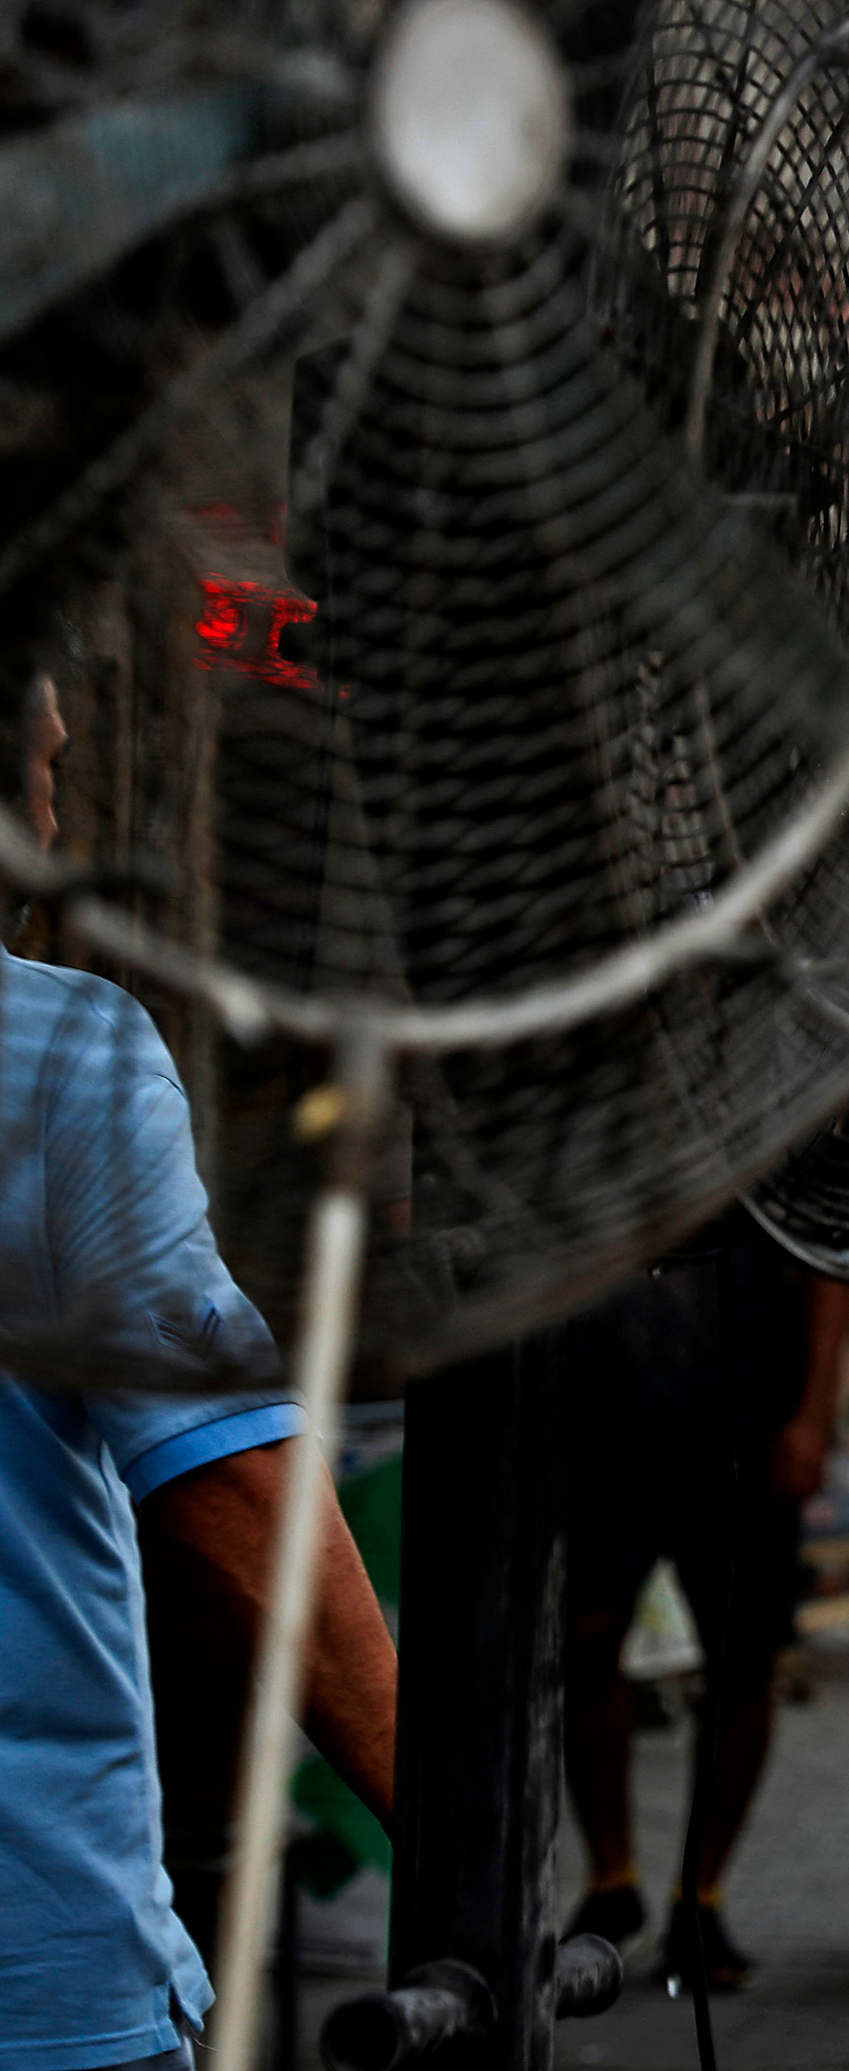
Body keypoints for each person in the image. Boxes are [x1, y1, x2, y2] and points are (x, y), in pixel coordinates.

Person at [0, 667, 400, 2069]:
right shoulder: (58, 1058)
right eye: (41, 763)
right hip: (34, 1963)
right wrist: (451, 1822)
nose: (57, 794)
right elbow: (232, 1489)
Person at [558, 1213, 846, 1991]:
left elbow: (829, 1265)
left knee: (744, 1657)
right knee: (585, 1633)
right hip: (611, 1401)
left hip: (746, 1406)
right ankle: (612, 1878)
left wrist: (814, 1410)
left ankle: (701, 1892)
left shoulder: (779, 1112)